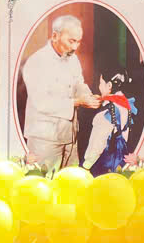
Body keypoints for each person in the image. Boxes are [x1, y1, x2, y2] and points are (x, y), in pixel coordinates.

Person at [18, 13, 104, 171]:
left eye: (78, 41)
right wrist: (79, 102)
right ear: (55, 36)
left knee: (69, 180)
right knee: (42, 181)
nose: (75, 47)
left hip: (69, 136)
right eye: (71, 41)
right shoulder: (37, 61)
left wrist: (88, 96)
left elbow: (78, 83)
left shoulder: (72, 59)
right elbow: (41, 102)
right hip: (44, 139)